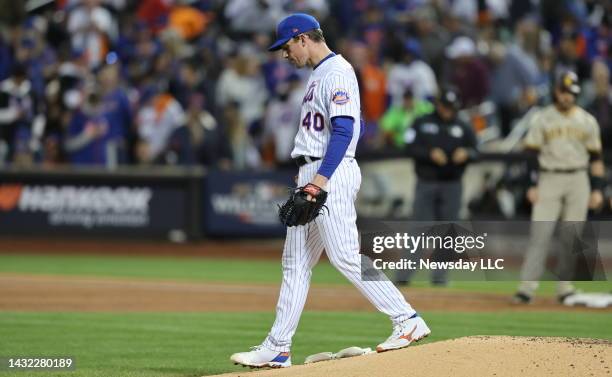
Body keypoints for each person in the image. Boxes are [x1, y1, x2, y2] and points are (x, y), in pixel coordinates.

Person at [230, 13, 430, 369]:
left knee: (344, 255)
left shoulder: (337, 71)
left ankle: (407, 319)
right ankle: (278, 347)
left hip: (327, 173)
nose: (284, 54)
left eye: (287, 46)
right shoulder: (319, 75)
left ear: (304, 38)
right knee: (295, 262)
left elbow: (343, 132)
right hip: (312, 170)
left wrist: (317, 182)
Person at [513, 71, 606, 304]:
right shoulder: (543, 119)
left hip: (578, 179)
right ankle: (527, 287)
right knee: (540, 233)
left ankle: (565, 287)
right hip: (549, 178)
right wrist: (532, 184)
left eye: (571, 93)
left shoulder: (587, 121)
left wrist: (596, 189)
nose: (567, 97)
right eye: (564, 92)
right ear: (557, 91)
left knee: (572, 236)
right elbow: (531, 156)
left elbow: (596, 158)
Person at [395, 88, 478, 286]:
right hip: (427, 182)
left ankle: (440, 278)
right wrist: (429, 153)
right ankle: (403, 277)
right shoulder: (422, 122)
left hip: (452, 184)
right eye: (445, 106)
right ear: (438, 104)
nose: (448, 111)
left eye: (452, 108)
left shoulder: (464, 126)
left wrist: (467, 153)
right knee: (418, 230)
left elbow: (477, 150)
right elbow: (408, 146)